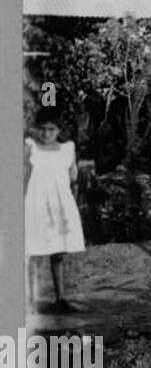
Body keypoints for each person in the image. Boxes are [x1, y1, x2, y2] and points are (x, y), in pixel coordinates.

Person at [24, 108, 85, 312]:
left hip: (59, 206)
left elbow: (73, 177)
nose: (46, 134)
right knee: (33, 251)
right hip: (36, 204)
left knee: (58, 252)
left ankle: (60, 298)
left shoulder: (67, 149)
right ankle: (29, 299)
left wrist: (72, 204)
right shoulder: (31, 148)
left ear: (58, 130)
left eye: (51, 129)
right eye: (42, 129)